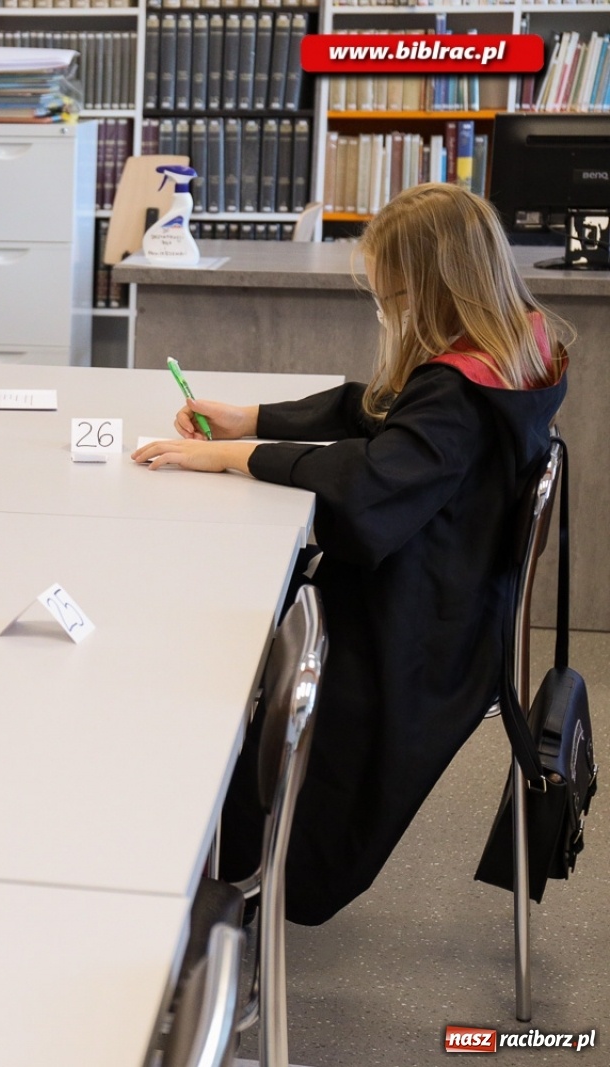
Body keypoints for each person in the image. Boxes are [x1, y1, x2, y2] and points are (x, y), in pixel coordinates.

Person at [132, 184, 569, 924]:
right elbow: (385, 411)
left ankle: (208, 872)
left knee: (218, 638)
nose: (385, 310)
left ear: (430, 289)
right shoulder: (515, 347)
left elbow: (367, 491)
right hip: (460, 604)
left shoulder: (457, 395)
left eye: (389, 295)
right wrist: (255, 418)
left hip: (413, 641)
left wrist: (235, 455)